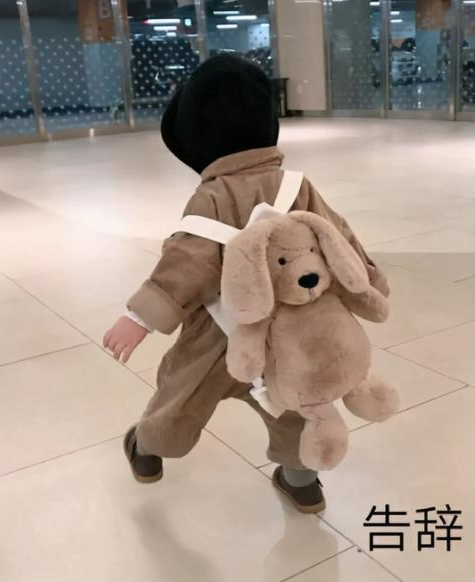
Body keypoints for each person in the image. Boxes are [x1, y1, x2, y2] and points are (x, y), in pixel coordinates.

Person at [103, 54, 389, 514]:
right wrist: (369, 279)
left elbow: (187, 260)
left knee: (181, 399)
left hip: (215, 339)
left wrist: (140, 317)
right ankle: (300, 480)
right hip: (288, 334)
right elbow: (337, 236)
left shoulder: (211, 196)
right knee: (295, 402)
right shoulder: (298, 185)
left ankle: (148, 446)